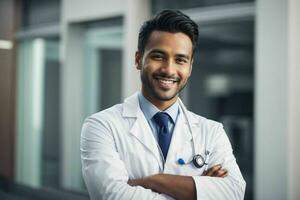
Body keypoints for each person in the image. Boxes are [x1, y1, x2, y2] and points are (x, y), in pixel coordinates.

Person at [81, 9, 246, 200]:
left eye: (180, 60)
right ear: (138, 59)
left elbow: (233, 193)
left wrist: (154, 181)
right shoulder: (101, 126)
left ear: (190, 67)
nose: (169, 69)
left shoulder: (212, 131)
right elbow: (112, 196)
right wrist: (199, 190)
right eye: (158, 56)